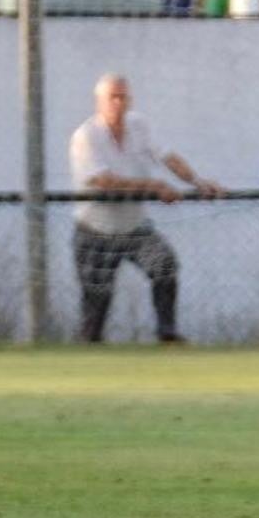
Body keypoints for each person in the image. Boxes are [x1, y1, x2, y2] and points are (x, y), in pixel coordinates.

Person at [69, 73, 223, 344]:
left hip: (133, 228)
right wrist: (153, 186)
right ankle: (88, 355)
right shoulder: (86, 136)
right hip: (96, 231)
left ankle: (168, 335)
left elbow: (168, 157)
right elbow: (104, 181)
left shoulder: (139, 125)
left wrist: (198, 182)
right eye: (112, 97)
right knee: (97, 303)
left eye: (122, 96)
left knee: (164, 266)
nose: (118, 103)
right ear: (99, 102)